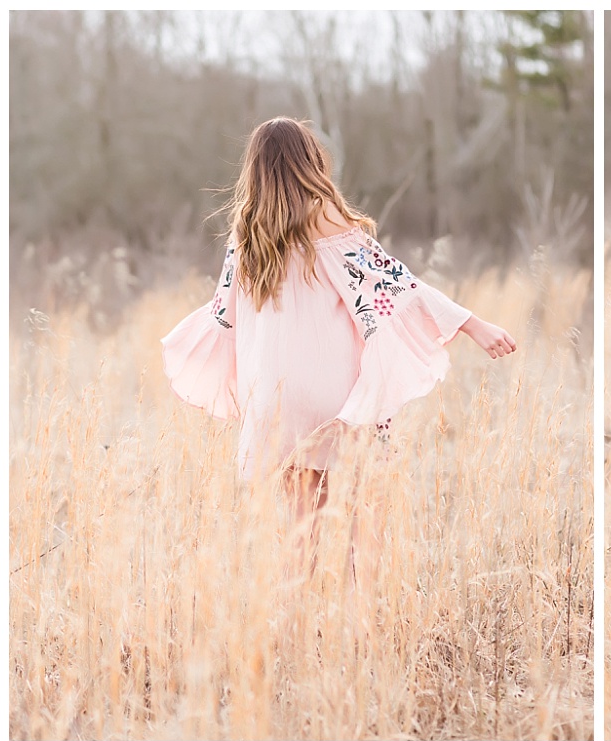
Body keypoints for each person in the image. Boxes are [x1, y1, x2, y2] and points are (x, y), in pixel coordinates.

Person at [161, 116, 516, 581]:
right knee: (351, 516)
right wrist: (470, 323)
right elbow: (393, 284)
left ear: (256, 169)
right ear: (308, 161)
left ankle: (299, 625)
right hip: (329, 396)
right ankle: (351, 622)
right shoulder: (324, 217)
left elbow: (221, 317)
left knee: (299, 526)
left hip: (271, 398)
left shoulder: (245, 233)